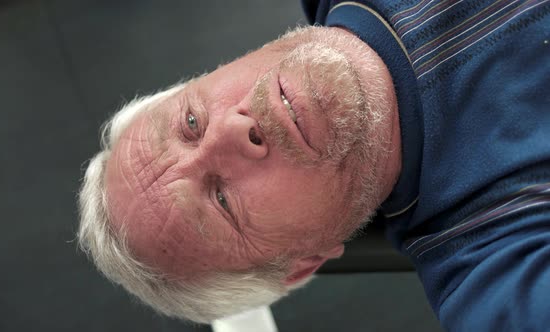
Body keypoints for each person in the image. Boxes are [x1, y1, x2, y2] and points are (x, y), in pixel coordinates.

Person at [78, 0, 550, 330]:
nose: (232, 132)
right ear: (302, 264)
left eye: (192, 121)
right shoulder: (502, 277)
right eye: (222, 199)